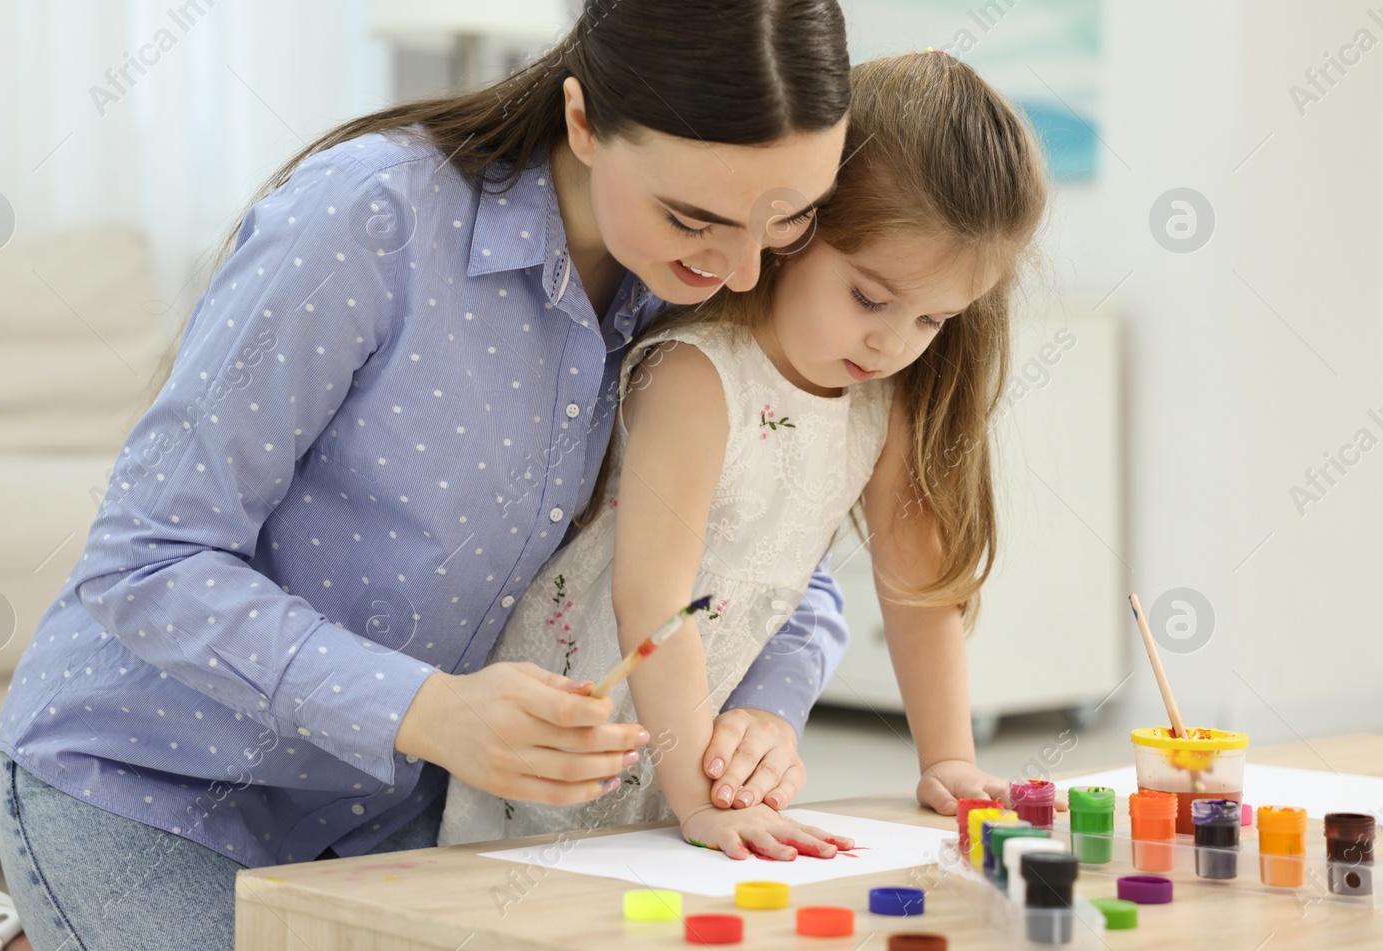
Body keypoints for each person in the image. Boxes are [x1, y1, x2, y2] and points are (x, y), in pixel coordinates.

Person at [0, 0, 859, 951]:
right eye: (693, 220)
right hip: (148, 779)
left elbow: (773, 545)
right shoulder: (369, 216)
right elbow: (145, 558)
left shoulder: (695, 297)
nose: (738, 274)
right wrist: (425, 708)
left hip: (402, 813)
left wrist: (764, 714)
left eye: (785, 223)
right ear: (585, 120)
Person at [438, 51, 1050, 858]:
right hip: (570, 737)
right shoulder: (698, 375)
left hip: (691, 753)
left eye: (933, 320)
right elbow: (653, 600)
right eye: (871, 297)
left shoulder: (879, 395)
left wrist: (950, 759)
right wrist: (701, 802)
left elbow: (915, 583)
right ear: (795, 226)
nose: (893, 342)